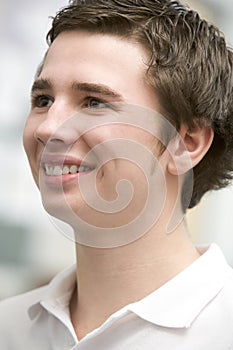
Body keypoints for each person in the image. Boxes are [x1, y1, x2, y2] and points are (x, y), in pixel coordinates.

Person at [1, 0, 233, 349]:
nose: (47, 128)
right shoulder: (9, 327)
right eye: (44, 100)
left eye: (94, 102)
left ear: (186, 143)